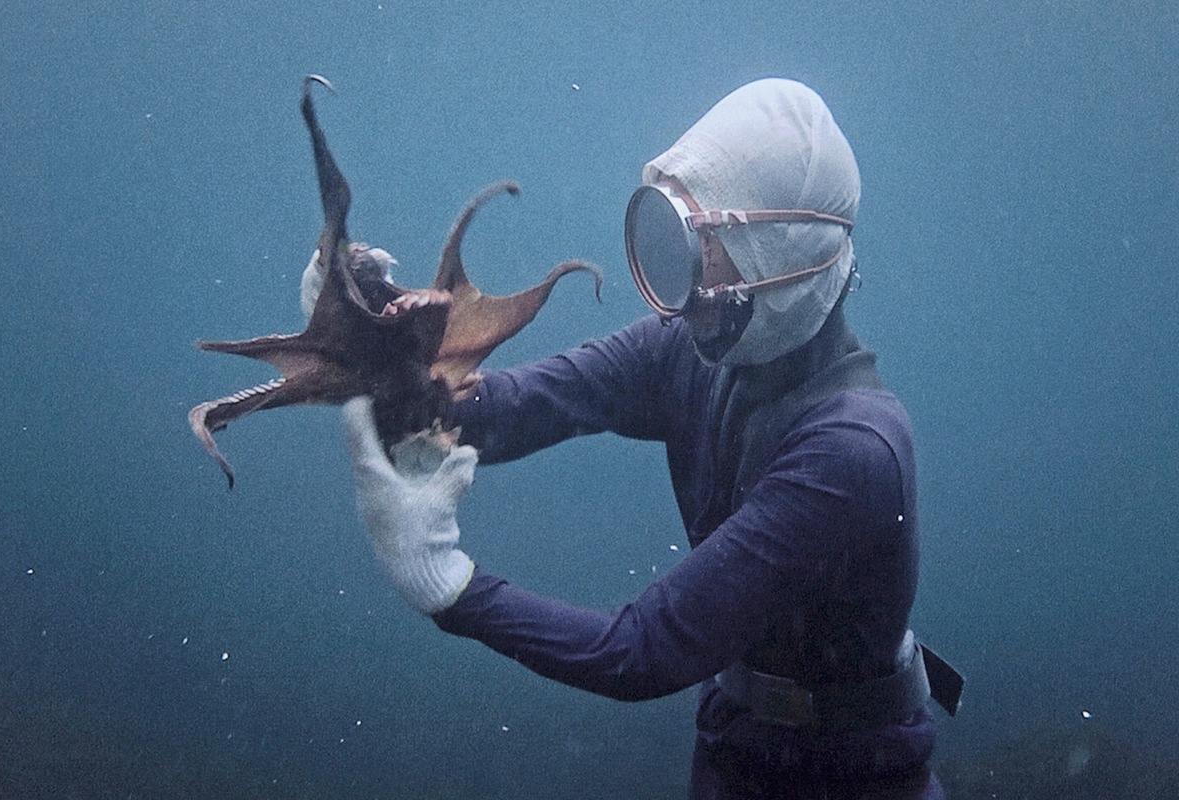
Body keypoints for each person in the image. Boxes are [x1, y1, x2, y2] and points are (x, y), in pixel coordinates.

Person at [310, 78, 958, 799]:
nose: (686, 287)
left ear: (783, 253)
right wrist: (387, 362)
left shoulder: (853, 452)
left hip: (852, 778)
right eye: (678, 241)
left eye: (712, 247)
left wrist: (448, 587)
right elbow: (527, 404)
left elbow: (641, 653)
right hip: (736, 745)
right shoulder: (693, 348)